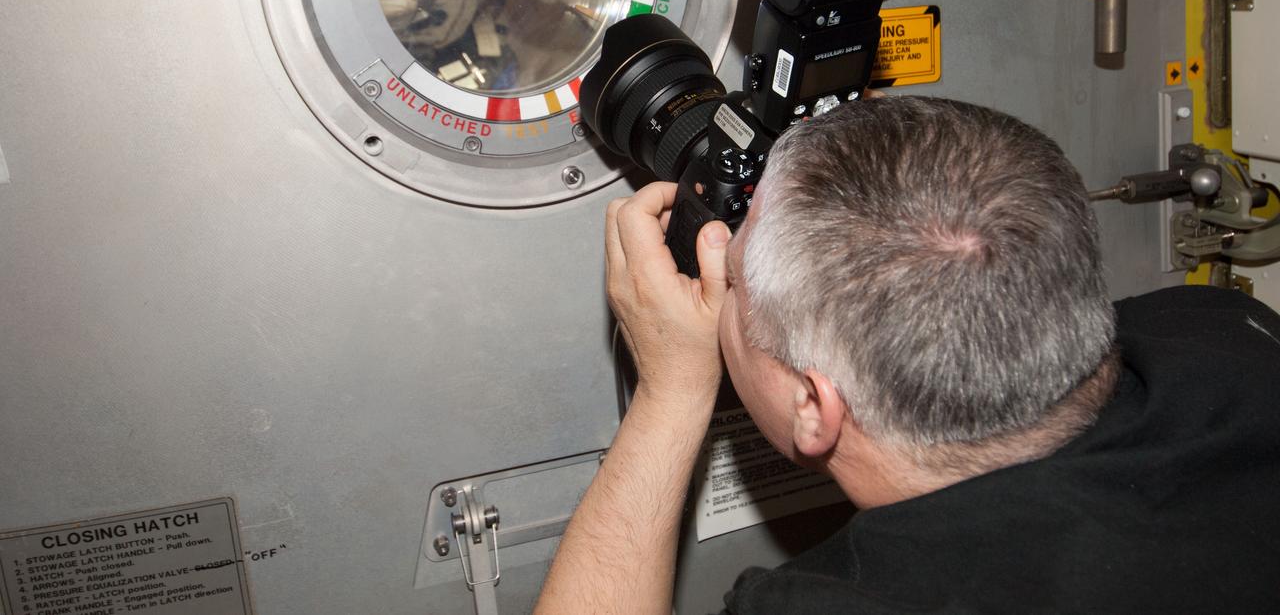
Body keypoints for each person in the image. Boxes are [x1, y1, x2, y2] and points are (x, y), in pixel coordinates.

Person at [533, 95, 1280, 614]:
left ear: (814, 407)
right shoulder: (1224, 329)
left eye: (734, 273)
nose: (723, 265)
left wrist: (669, 392)